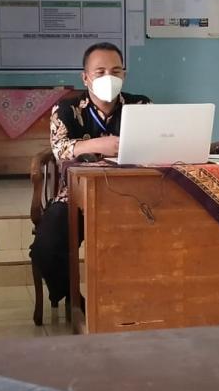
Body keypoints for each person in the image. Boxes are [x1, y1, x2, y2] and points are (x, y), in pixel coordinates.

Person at [29, 42, 150, 308]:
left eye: (116, 71)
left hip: (132, 196)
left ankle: (139, 300)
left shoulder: (140, 105)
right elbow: (60, 149)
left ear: (124, 74)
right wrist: (97, 145)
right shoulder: (66, 109)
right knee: (46, 246)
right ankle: (74, 299)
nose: (109, 77)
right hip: (76, 196)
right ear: (85, 77)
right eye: (100, 72)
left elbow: (157, 144)